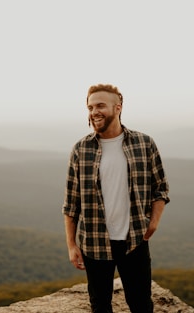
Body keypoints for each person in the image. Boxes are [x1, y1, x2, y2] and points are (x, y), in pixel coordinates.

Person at [62, 84, 170, 313]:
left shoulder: (144, 144)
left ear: (118, 107)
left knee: (141, 304)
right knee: (100, 306)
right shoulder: (81, 149)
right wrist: (71, 245)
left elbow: (160, 188)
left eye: (100, 105)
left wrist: (154, 222)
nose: (94, 112)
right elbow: (71, 204)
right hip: (94, 243)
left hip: (135, 242)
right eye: (90, 107)